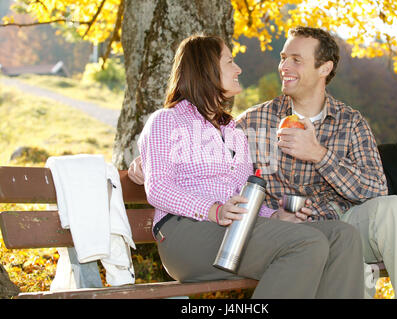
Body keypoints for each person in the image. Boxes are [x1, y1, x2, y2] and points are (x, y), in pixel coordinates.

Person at [133, 34, 365, 299]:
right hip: (185, 234)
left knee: (342, 236)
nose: (238, 69)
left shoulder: (234, 134)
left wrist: (275, 216)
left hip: (235, 232)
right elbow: (159, 188)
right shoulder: (167, 121)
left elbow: (245, 200)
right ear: (205, 69)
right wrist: (214, 211)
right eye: (230, 61)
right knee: (307, 243)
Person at [235, 26, 397, 299]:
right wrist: (275, 214)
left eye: (296, 59)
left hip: (345, 225)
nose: (284, 66)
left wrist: (319, 154)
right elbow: (228, 183)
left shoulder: (351, 122)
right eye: (284, 57)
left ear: (324, 68)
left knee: (394, 207)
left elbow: (376, 187)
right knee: (340, 256)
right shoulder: (253, 122)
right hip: (287, 234)